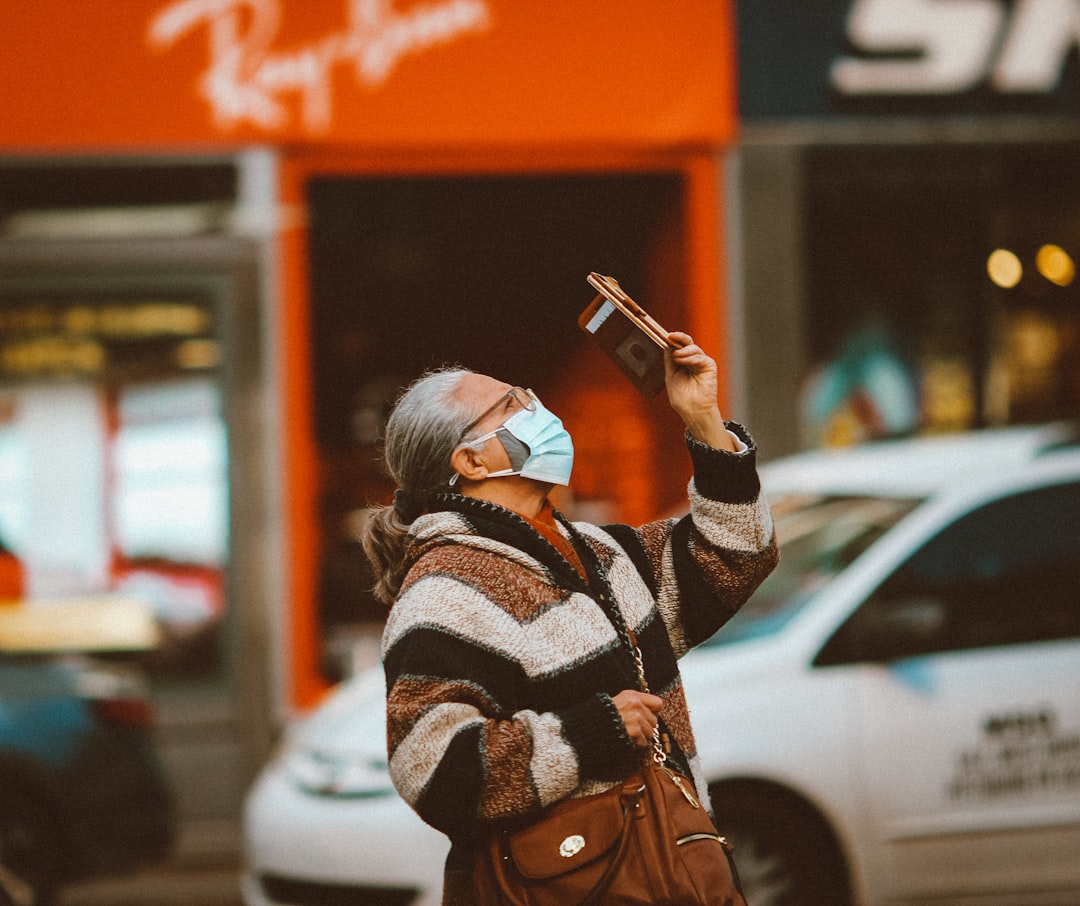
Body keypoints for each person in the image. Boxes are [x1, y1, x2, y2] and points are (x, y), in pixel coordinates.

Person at [361, 332, 779, 905]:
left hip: (664, 867)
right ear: (472, 460)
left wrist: (703, 418)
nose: (538, 410)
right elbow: (433, 769)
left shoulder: (596, 552)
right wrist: (594, 731)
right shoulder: (446, 588)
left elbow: (735, 557)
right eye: (512, 404)